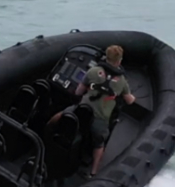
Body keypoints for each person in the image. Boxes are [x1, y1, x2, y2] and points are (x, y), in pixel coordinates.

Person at [48, 44, 136, 176]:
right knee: (99, 143)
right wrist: (132, 97)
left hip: (82, 109)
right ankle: (93, 171)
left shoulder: (93, 71)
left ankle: (46, 132)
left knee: (60, 115)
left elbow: (78, 92)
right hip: (100, 119)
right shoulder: (122, 82)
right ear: (119, 61)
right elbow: (129, 100)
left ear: (106, 58)